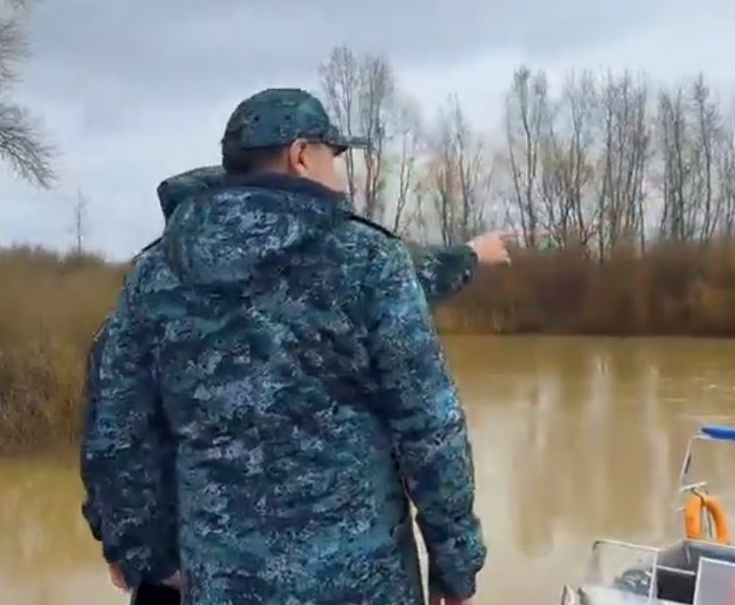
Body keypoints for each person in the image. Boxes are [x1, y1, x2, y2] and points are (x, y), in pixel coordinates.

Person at [81, 87, 491, 604]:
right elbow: (430, 427)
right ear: (301, 155)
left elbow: (117, 431)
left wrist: (144, 555)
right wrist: (455, 566)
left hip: (221, 584)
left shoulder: (156, 274)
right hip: (362, 584)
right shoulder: (369, 260)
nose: (338, 172)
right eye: (332, 155)